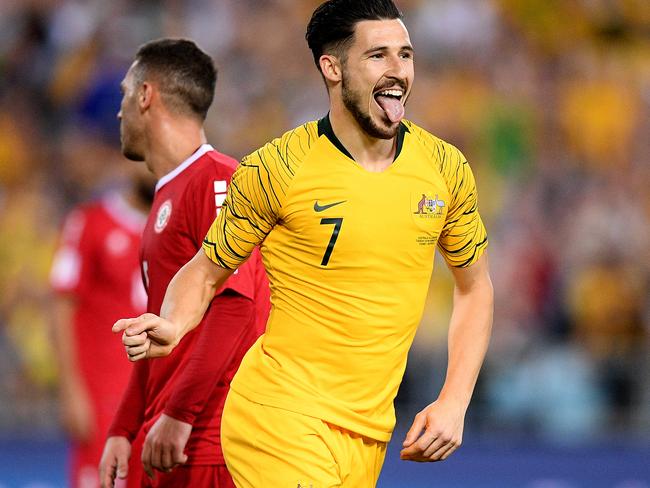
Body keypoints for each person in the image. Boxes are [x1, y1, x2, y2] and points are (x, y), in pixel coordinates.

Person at [115, 2, 493, 486]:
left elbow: (474, 287)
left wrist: (454, 400)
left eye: (406, 54)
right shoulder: (278, 169)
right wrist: (172, 323)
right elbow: (207, 270)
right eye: (378, 56)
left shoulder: (445, 169)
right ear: (332, 68)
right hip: (278, 417)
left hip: (366, 433)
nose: (398, 70)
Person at [98, 39, 269, 488]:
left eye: (123, 94)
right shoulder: (167, 194)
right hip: (167, 437)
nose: (119, 112)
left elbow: (236, 305)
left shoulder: (216, 178)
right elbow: (158, 331)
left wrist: (180, 413)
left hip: (207, 441)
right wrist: (123, 427)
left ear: (145, 95)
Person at [51, 165, 153, 488]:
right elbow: (61, 305)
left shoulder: (179, 225)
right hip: (103, 398)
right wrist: (70, 388)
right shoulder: (90, 222)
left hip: (157, 399)